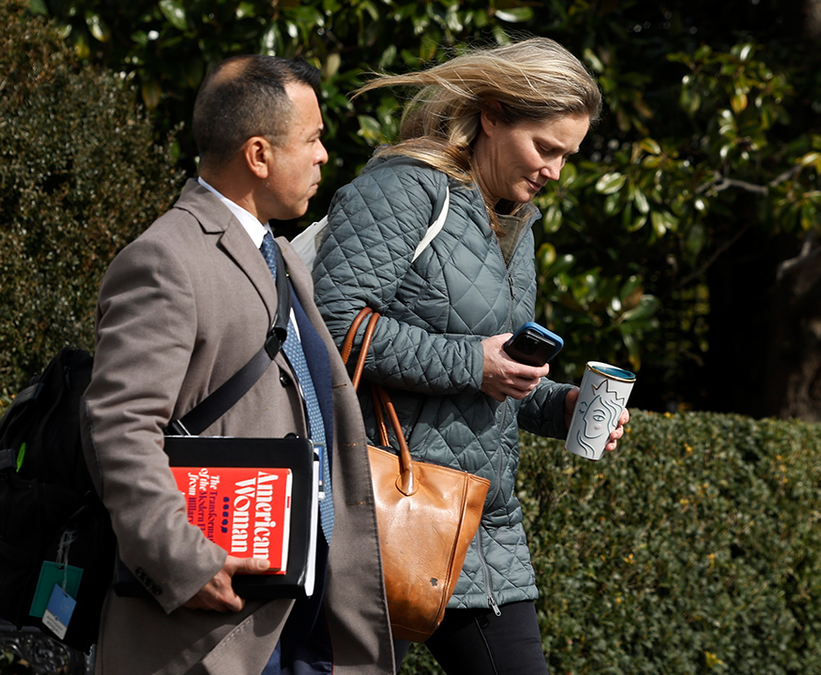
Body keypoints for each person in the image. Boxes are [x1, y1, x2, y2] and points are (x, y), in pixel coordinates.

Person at [311, 38, 630, 675]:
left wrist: (561, 406)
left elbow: (493, 369)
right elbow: (333, 325)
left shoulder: (516, 221)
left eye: (567, 156)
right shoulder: (401, 189)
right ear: (491, 116)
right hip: (386, 511)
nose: (555, 171)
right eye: (546, 148)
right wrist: (472, 364)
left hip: (483, 526)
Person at [80, 55, 394, 675]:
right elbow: (119, 427)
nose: (324, 155)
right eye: (312, 139)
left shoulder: (280, 255)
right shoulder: (165, 259)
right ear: (258, 155)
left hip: (301, 611)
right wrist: (182, 560)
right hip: (216, 628)